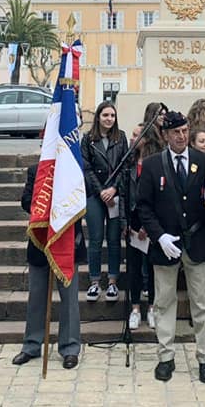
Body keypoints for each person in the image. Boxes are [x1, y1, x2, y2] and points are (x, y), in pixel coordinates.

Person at [137, 110, 205, 383]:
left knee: (203, 304)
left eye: (185, 131)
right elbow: (144, 206)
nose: (181, 136)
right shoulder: (152, 165)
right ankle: (165, 357)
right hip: (165, 244)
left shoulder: (204, 161)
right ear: (165, 135)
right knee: (163, 302)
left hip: (198, 242)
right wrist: (159, 236)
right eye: (176, 132)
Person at [13, 164, 85, 369]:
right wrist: (45, 204)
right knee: (36, 297)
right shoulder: (36, 170)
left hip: (67, 242)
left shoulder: (74, 166)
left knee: (69, 299)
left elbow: (84, 199)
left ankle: (70, 348)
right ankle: (31, 345)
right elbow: (25, 201)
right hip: (41, 241)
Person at [81, 101, 129, 302]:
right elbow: (86, 168)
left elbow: (124, 166)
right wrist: (101, 191)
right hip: (95, 194)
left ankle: (112, 282)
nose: (109, 119)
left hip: (115, 195)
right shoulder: (88, 139)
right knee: (95, 238)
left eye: (112, 115)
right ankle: (94, 281)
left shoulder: (121, 138)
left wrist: (114, 189)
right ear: (98, 117)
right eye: (105, 115)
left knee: (114, 239)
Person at [124, 124, 155, 331]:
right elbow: (122, 193)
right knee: (134, 267)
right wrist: (125, 223)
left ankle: (152, 307)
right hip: (132, 222)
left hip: (150, 222)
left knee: (151, 268)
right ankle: (135, 308)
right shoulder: (128, 163)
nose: (133, 138)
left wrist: (147, 225)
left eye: (137, 135)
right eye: (133, 134)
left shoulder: (155, 162)